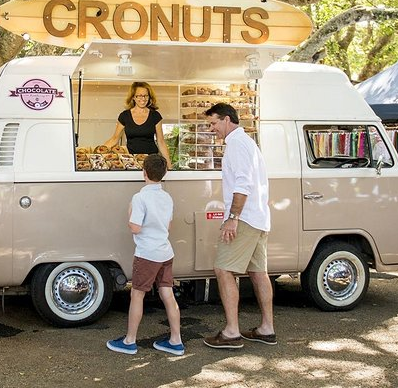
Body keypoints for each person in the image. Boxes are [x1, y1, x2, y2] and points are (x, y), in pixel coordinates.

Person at [202, 103, 277, 349]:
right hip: (258, 217)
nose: (212, 129)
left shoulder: (236, 144)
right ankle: (267, 328)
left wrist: (232, 217)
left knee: (223, 269)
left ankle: (232, 332)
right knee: (258, 273)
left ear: (226, 119)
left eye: (213, 123)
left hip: (243, 218)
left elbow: (242, 184)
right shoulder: (249, 143)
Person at [106, 154, 184, 356]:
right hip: (165, 252)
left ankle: (129, 341)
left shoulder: (140, 198)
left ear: (144, 173)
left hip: (147, 254)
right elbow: (168, 226)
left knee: (137, 294)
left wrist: (130, 211)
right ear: (164, 174)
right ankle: (176, 341)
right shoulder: (167, 197)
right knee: (166, 293)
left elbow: (135, 227)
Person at [103, 81, 173, 169]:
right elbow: (114, 139)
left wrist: (169, 166)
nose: (143, 98)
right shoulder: (124, 116)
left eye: (146, 95)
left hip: (151, 161)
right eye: (139, 95)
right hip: (131, 161)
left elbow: (161, 142)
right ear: (133, 97)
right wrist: (98, 152)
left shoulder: (155, 116)